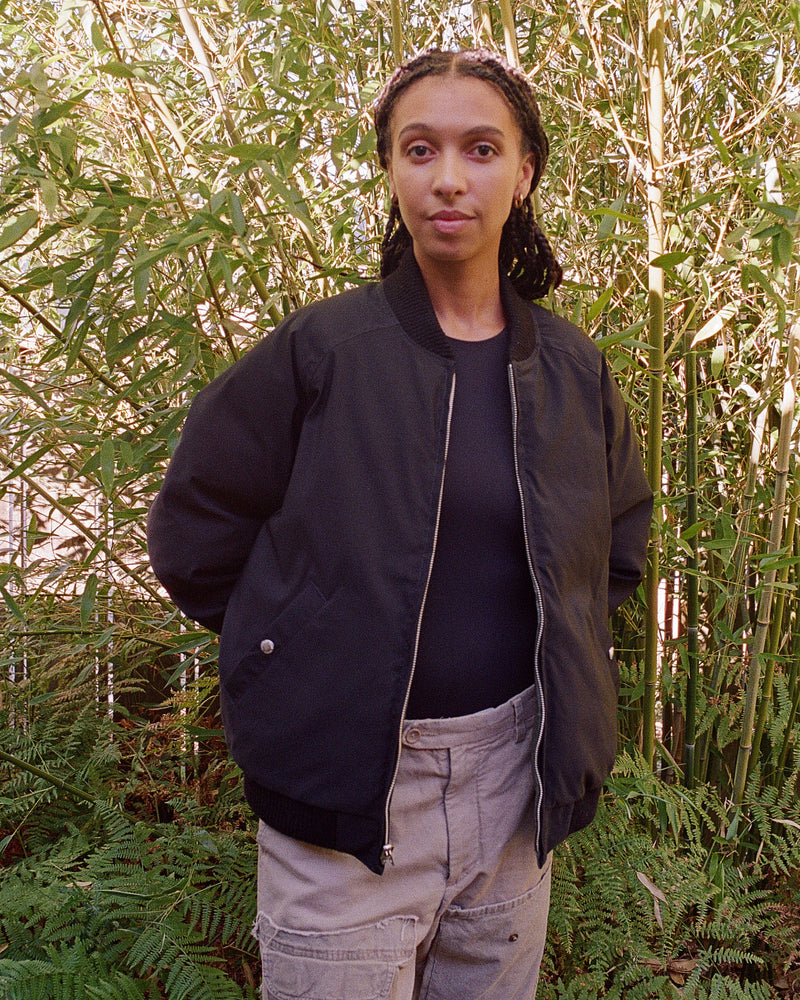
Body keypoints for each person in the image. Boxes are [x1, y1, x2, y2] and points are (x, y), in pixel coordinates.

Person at [147, 47, 652, 1000]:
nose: (449, 178)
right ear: (390, 170)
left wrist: (568, 651)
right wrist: (296, 651)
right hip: (345, 794)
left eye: (481, 149)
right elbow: (195, 528)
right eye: (419, 150)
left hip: (514, 789)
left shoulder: (573, 371)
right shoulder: (323, 351)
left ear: (524, 172)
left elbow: (613, 548)